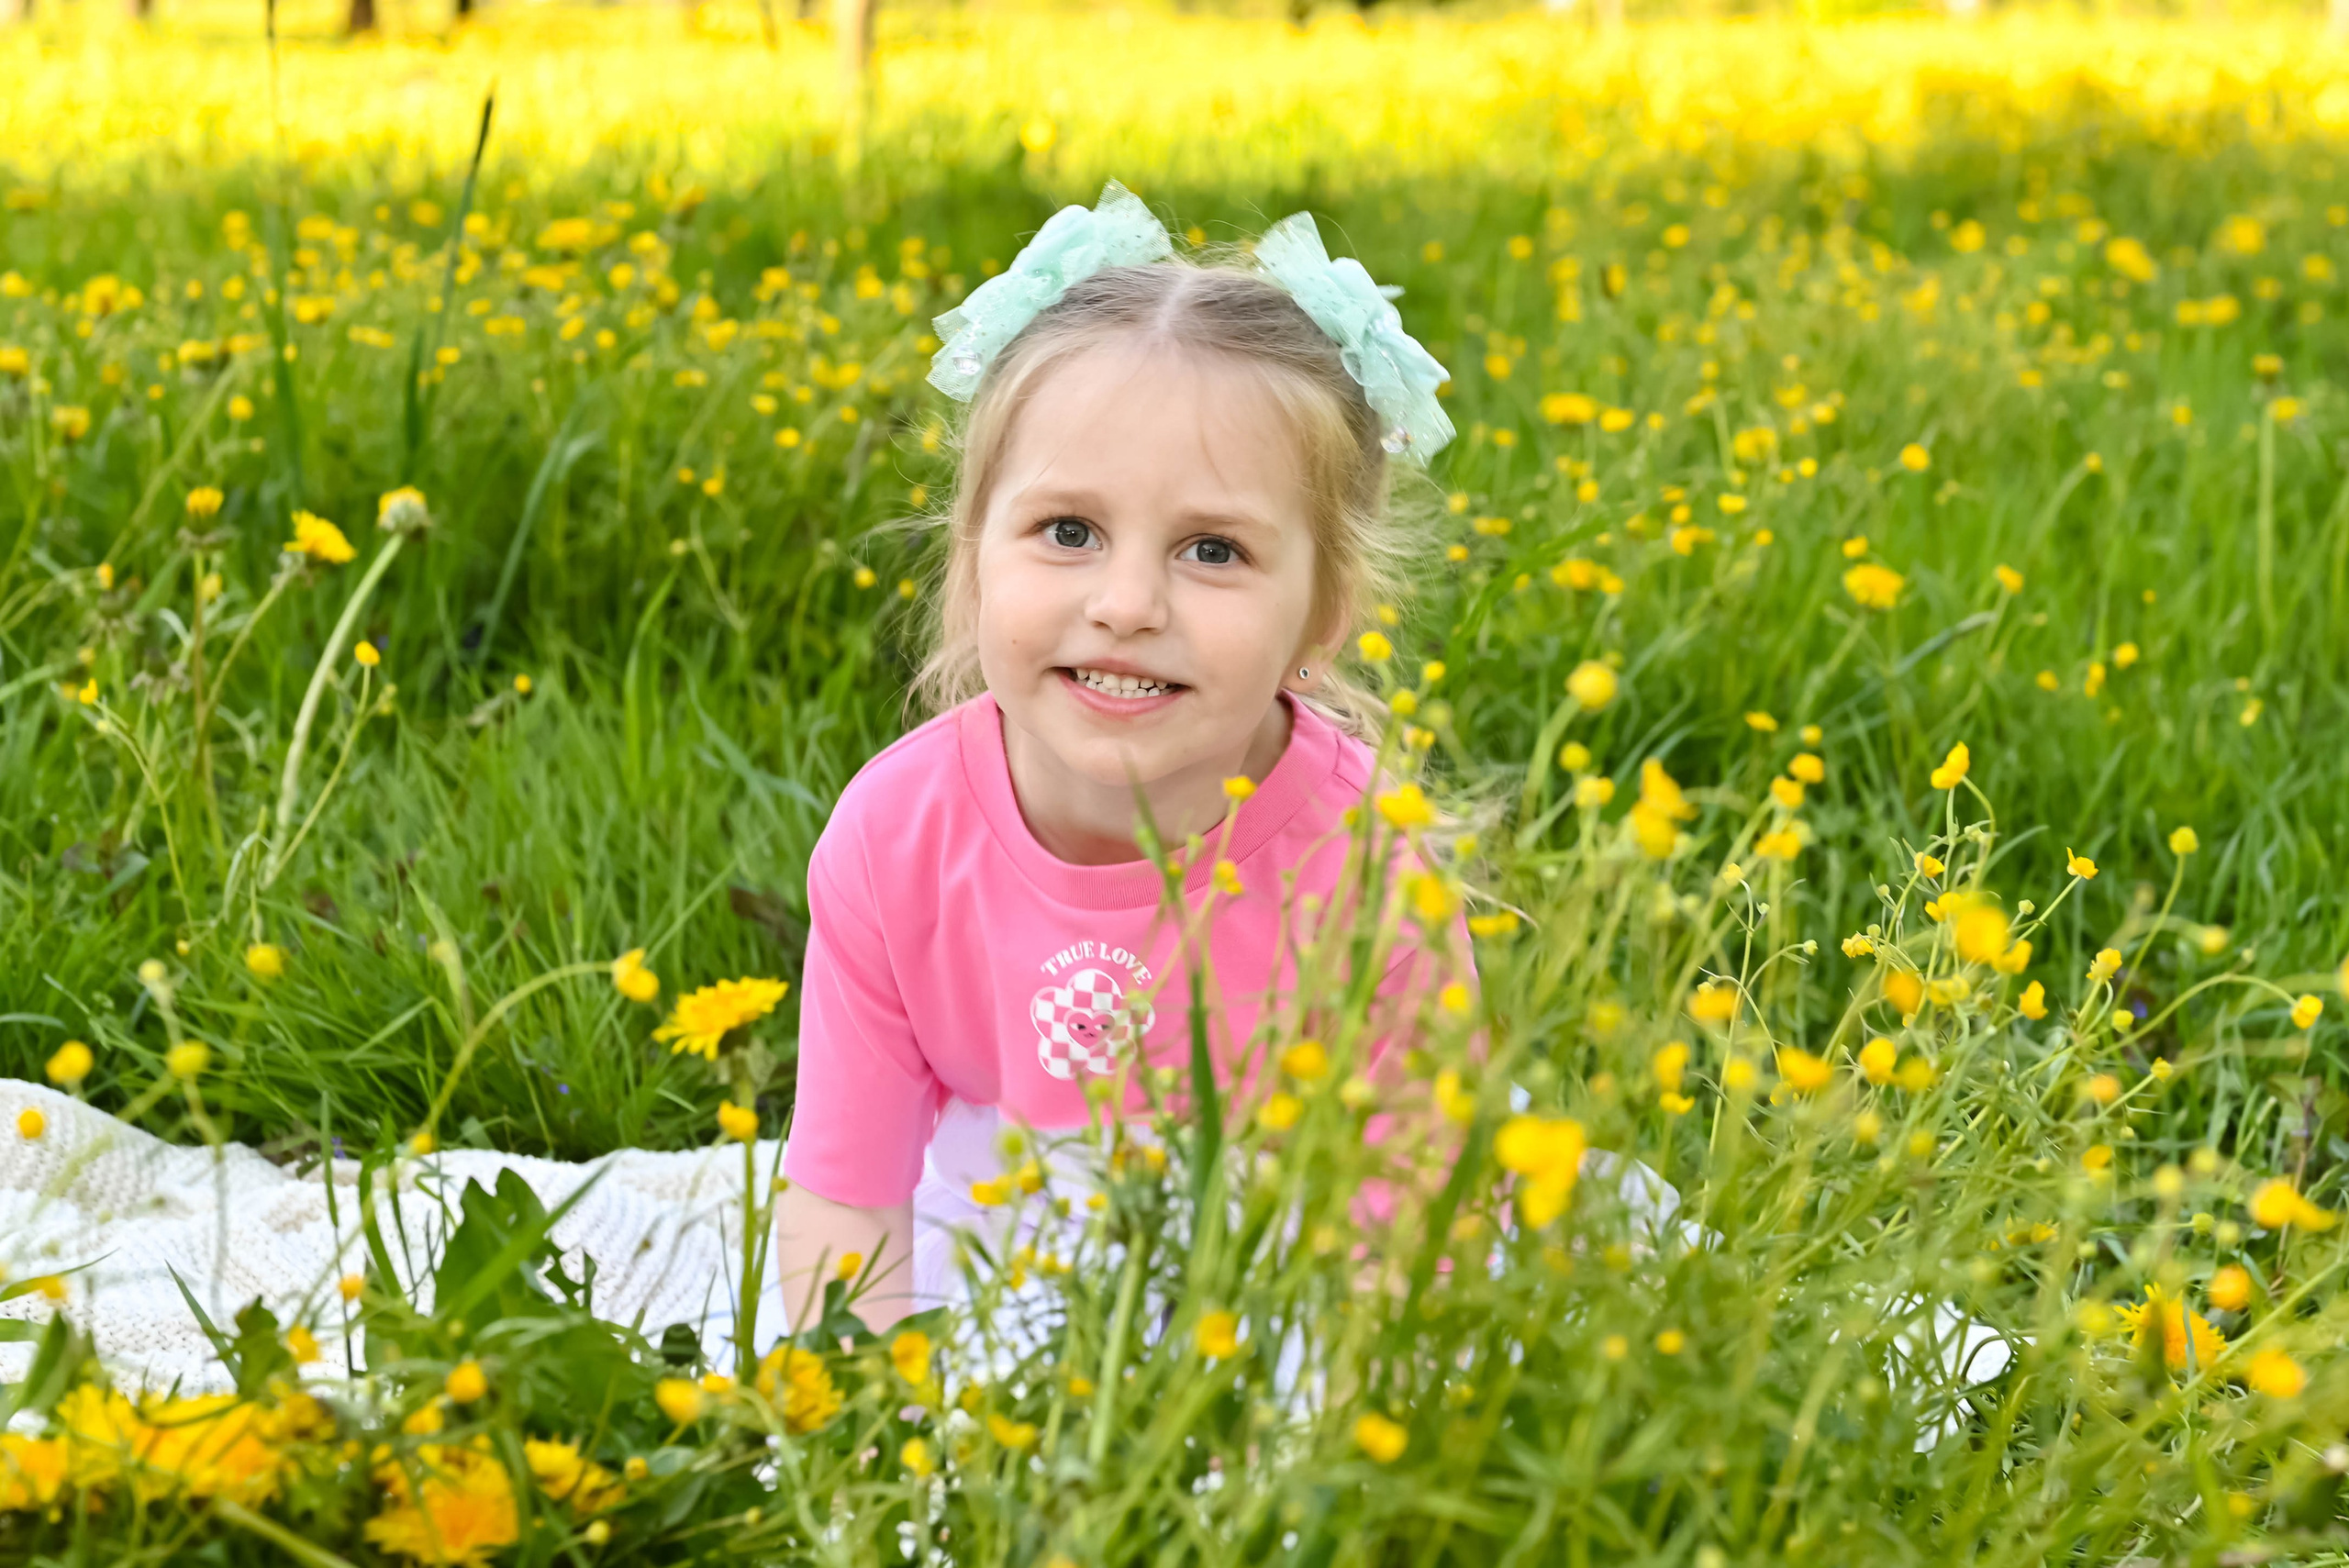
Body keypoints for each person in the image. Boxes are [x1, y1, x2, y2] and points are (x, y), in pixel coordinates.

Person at [771, 181, 1475, 1334]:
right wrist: (861, 1431)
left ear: (1324, 608)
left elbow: (1403, 1251)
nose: (1128, 603)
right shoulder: (894, 839)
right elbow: (848, 1206)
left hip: (1291, 1264)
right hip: (1000, 1243)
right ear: (974, 553)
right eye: (1068, 532)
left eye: (1212, 549)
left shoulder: (1365, 863)